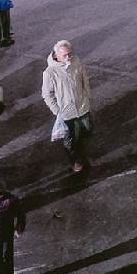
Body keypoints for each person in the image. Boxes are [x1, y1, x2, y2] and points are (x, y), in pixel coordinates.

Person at [41, 41, 93, 175]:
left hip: (82, 107)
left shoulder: (76, 62)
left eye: (69, 54)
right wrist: (57, 110)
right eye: (64, 55)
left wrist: (87, 95)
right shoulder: (50, 72)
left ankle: (80, 154)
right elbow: (47, 94)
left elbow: (84, 79)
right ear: (56, 55)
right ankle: (76, 161)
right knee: (72, 139)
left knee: (87, 130)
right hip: (68, 113)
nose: (68, 57)